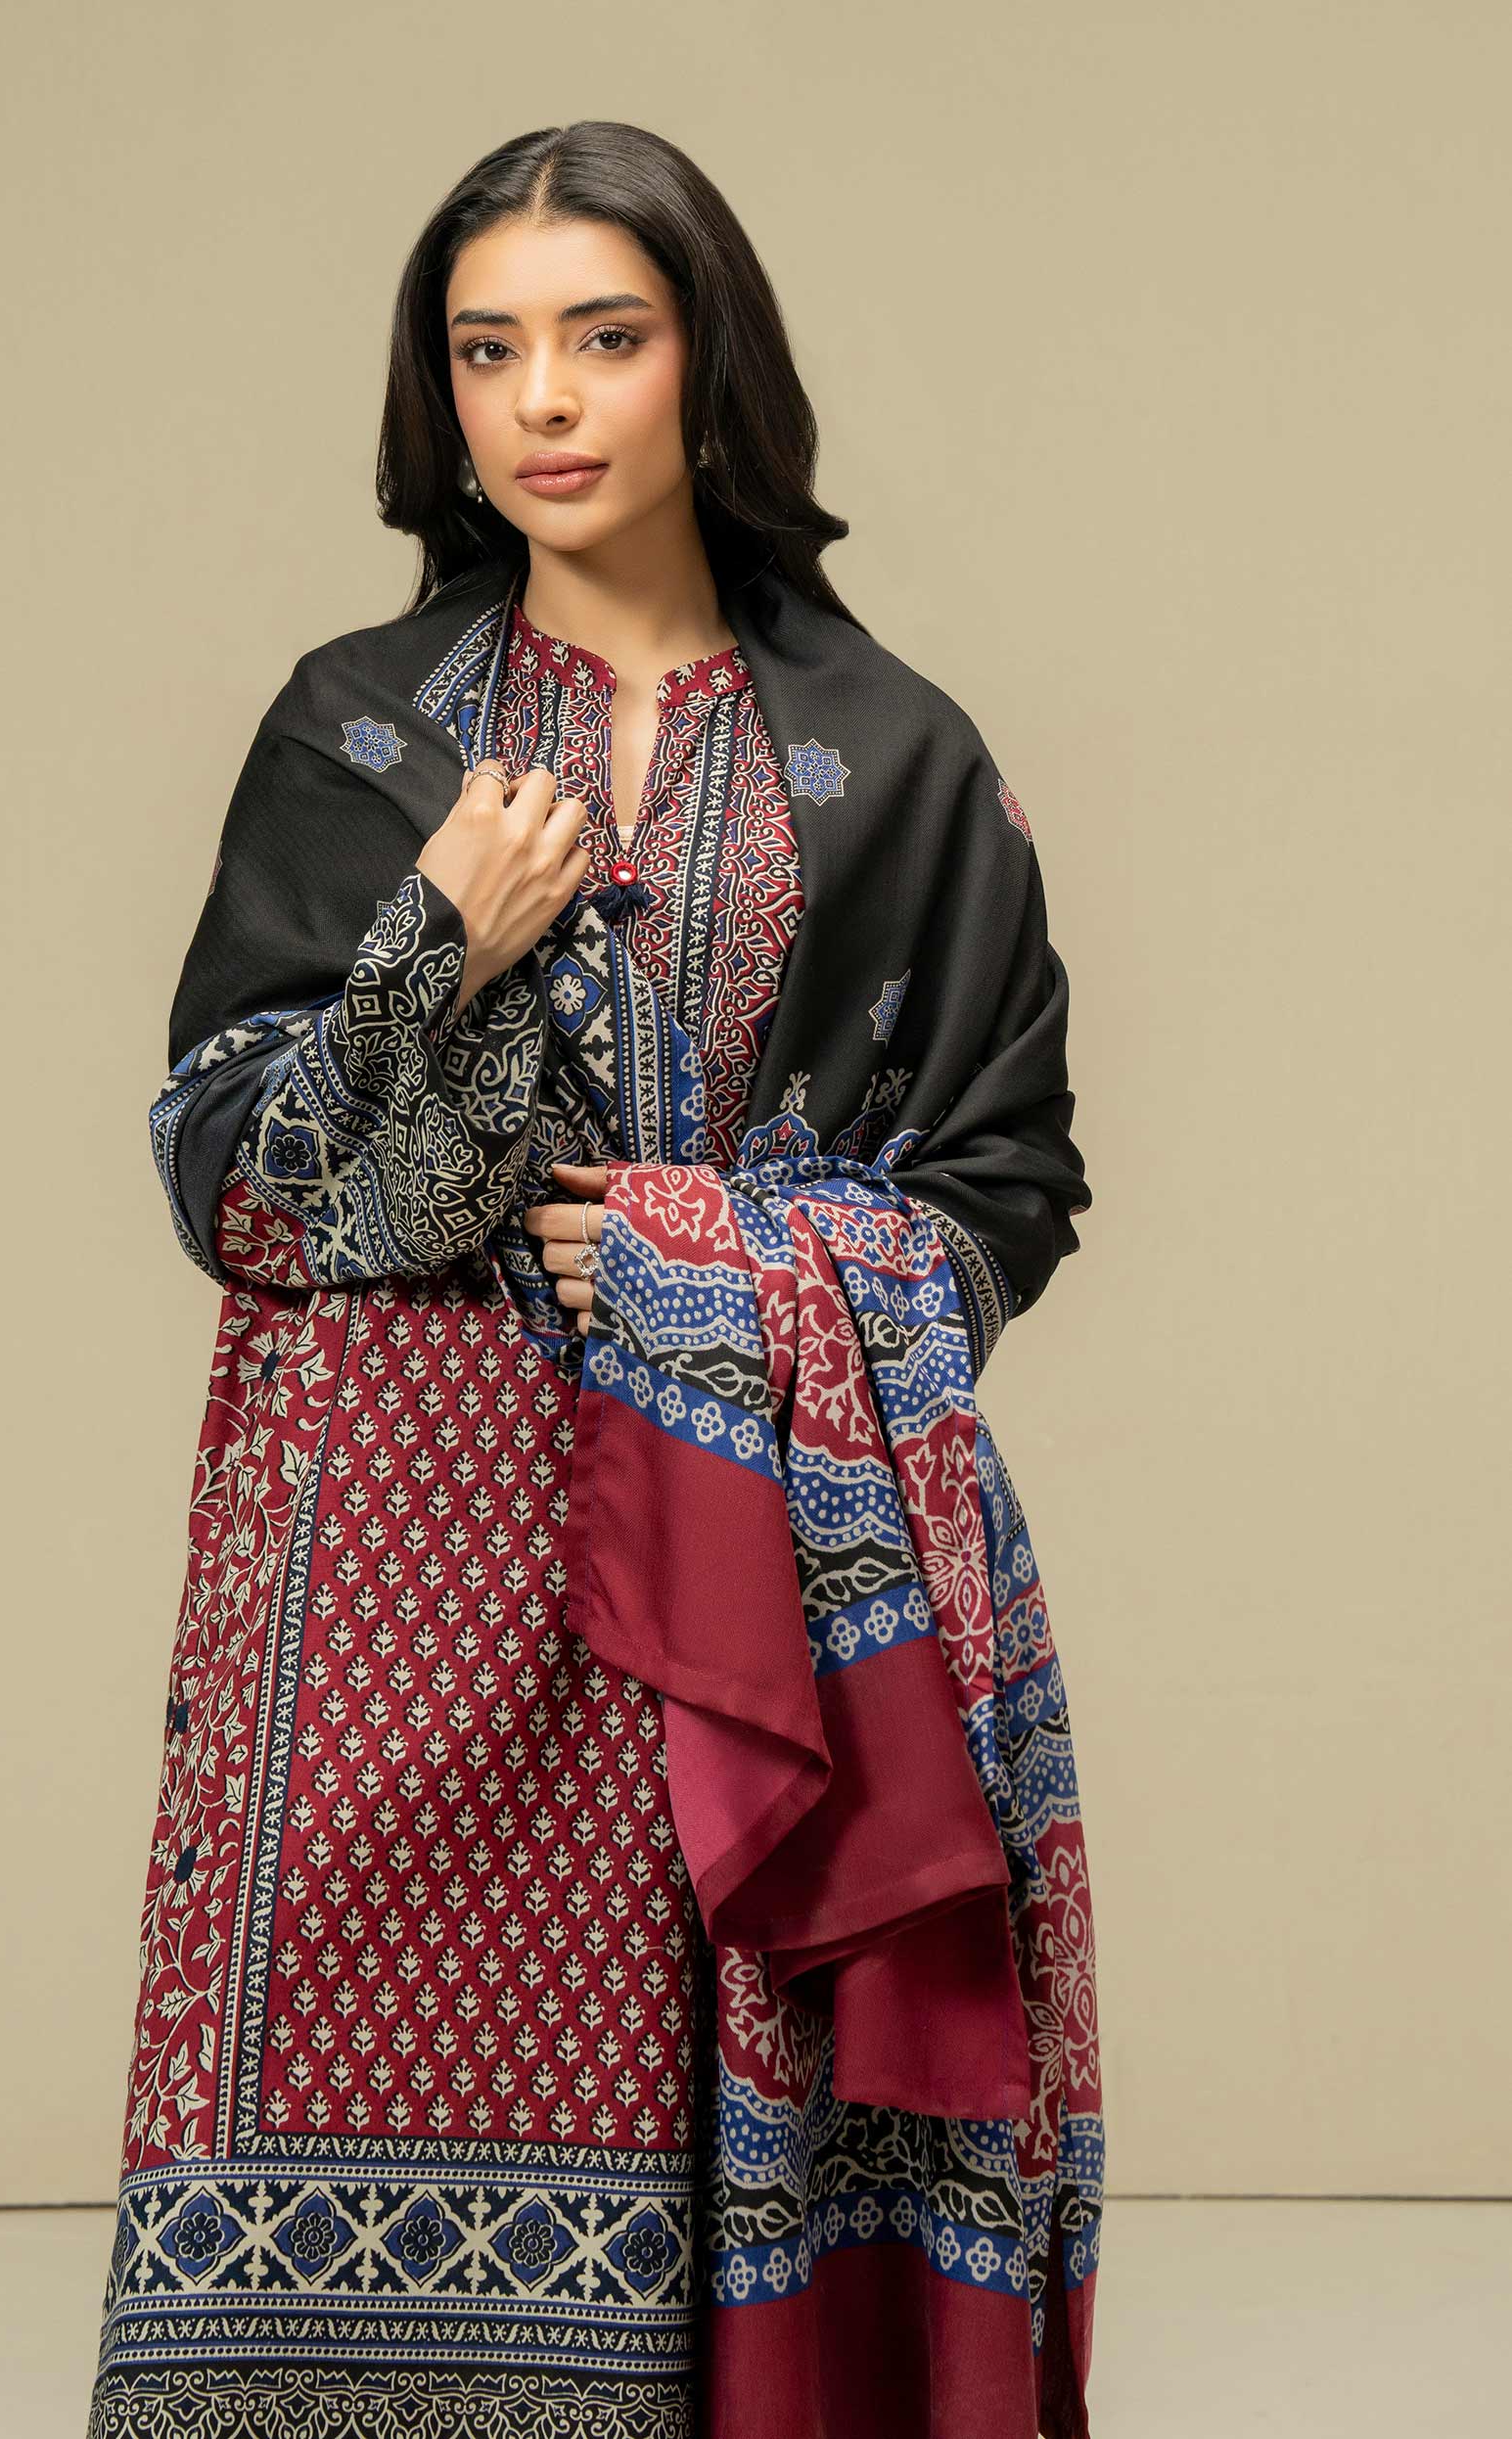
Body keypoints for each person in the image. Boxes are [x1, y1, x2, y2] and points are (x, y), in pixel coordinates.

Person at [88, 118, 1103, 2439]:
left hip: (766, 1572)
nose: (539, 398)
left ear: (704, 365)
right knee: (345, 2151)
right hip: (392, 1582)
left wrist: (714, 1262)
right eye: (485, 349)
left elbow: (1004, 1182)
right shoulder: (363, 733)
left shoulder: (888, 755)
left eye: (601, 337)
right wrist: (430, 942)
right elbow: (232, 1184)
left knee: (750, 2093)